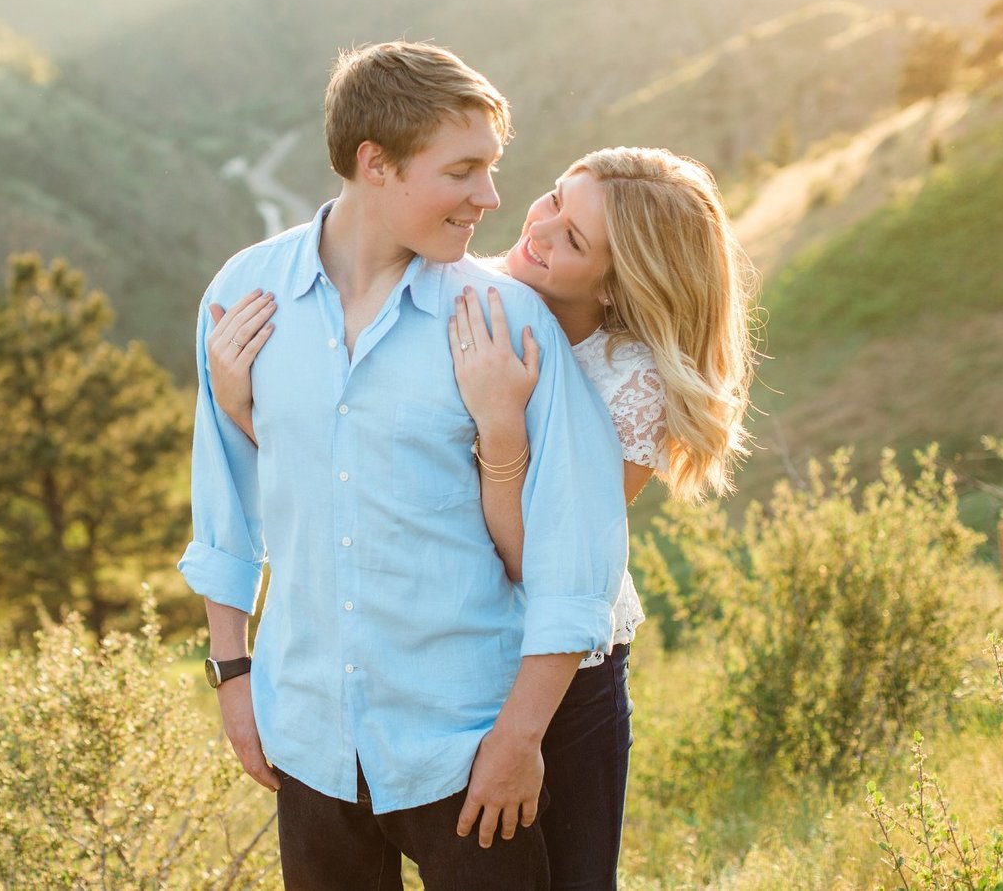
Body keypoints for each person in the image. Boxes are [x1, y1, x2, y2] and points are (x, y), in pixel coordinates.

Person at [211, 146, 760, 888]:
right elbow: (347, 463)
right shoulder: (473, 294)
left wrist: (502, 427)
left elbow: (536, 564)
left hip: (564, 673)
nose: (540, 228)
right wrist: (241, 399)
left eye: (574, 240)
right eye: (556, 200)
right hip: (440, 654)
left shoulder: (630, 380)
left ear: (621, 282)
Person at [181, 41, 629, 890]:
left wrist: (517, 741)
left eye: (493, 170)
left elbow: (580, 560)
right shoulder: (244, 297)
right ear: (374, 163)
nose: (490, 199)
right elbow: (226, 501)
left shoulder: (506, 321)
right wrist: (234, 676)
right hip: (307, 734)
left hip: (464, 749)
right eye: (463, 170)